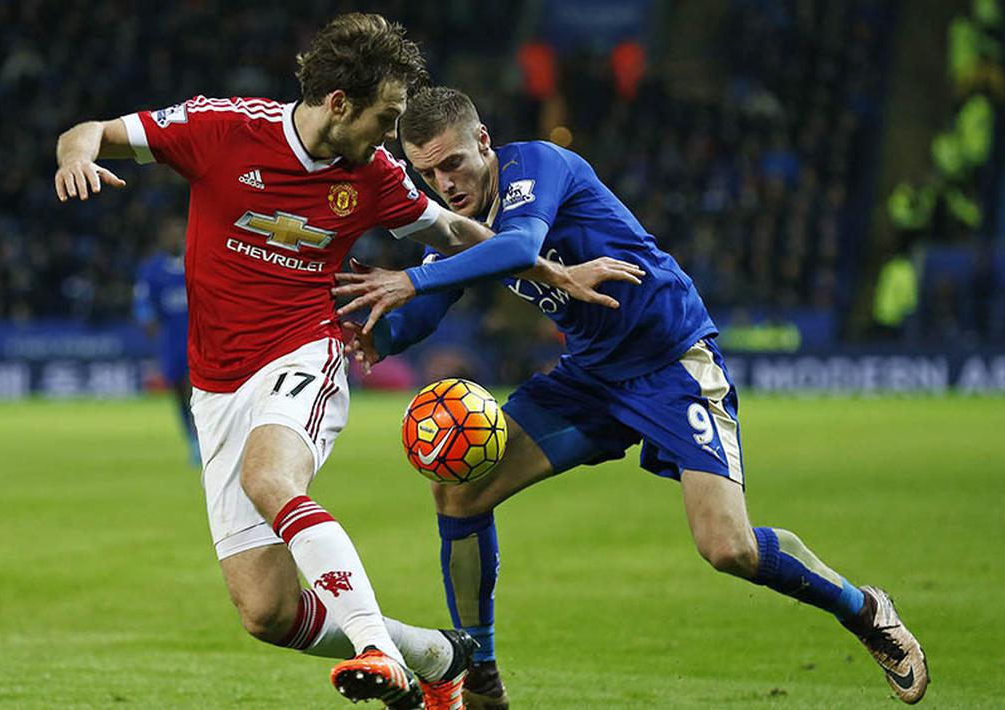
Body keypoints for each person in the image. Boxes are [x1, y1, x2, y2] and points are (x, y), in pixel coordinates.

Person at [54, 15, 632, 709]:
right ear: (338, 104)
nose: (390, 139)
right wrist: (74, 159)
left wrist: (548, 270)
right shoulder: (223, 128)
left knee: (270, 478)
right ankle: (437, 656)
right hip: (216, 384)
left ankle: (376, 650)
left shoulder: (375, 176)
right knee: (266, 612)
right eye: (385, 118)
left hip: (303, 349)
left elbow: (452, 230)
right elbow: (90, 131)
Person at [337, 86, 929, 707]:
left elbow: (517, 247)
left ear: (483, 142)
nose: (444, 184)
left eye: (453, 163)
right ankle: (479, 671)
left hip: (670, 361)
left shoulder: (535, 165)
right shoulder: (455, 224)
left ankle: (865, 610)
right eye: (427, 173)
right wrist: (377, 334)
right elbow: (424, 308)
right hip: (590, 376)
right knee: (458, 491)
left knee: (728, 547)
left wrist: (410, 277)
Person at [133, 217, 201, 466]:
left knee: (195, 390)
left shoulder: (197, 261)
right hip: (172, 341)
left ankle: (202, 439)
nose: (175, 237)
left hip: (201, 338)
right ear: (163, 238)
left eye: (179, 232)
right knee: (180, 393)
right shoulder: (152, 270)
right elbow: (143, 301)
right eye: (170, 233)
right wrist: (147, 321)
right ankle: (193, 440)